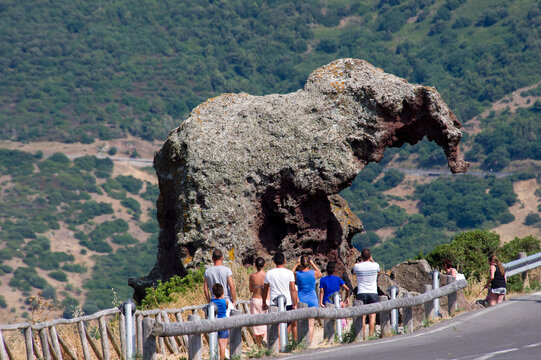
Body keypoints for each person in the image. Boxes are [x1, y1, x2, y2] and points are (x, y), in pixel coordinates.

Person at [262, 252, 299, 339]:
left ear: (274, 261)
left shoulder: (269, 273)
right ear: (284, 261)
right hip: (288, 302)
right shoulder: (289, 273)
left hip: (274, 303)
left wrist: (264, 302)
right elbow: (293, 289)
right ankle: (284, 343)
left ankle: (279, 344)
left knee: (275, 325)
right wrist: (295, 303)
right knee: (288, 323)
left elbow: (265, 289)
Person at [292, 255, 322, 344]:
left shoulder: (297, 274)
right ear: (309, 263)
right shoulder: (313, 273)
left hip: (301, 299)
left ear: (301, 263)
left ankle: (300, 343)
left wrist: (296, 264)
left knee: (300, 323)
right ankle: (309, 343)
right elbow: (320, 273)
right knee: (311, 324)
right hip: (312, 299)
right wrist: (313, 264)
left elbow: (290, 274)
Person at [353, 248, 380, 339]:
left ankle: (362, 336)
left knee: (362, 317)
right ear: (370, 256)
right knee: (372, 316)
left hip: (361, 292)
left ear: (361, 257)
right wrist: (372, 260)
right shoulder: (375, 265)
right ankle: (371, 336)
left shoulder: (357, 266)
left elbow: (353, 272)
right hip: (373, 292)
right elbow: (379, 270)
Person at [249, 257, 268, 346]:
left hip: (255, 299)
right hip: (266, 299)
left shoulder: (252, 276)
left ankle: (258, 345)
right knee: (267, 320)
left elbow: (250, 290)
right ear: (264, 265)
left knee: (256, 322)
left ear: (255, 265)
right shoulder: (267, 275)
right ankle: (265, 337)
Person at [211, 284, 229, 360]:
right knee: (223, 342)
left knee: (218, 341)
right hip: (224, 321)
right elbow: (227, 308)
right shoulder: (225, 302)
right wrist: (222, 296)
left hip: (215, 322)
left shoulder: (212, 302)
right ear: (222, 292)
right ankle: (222, 358)